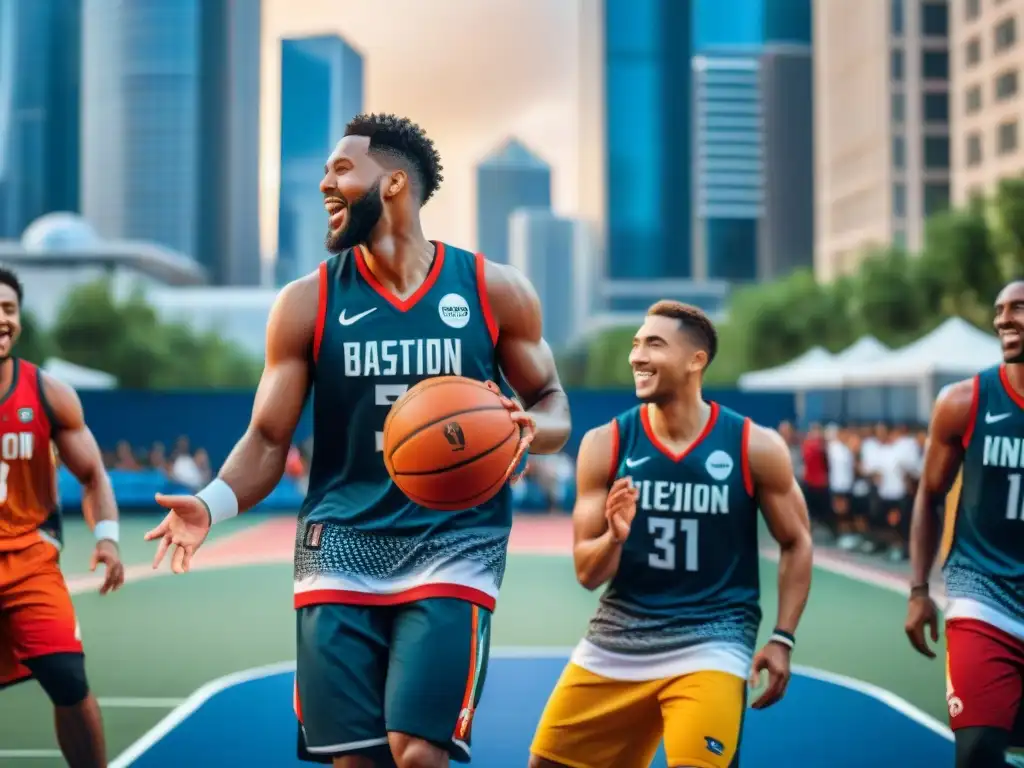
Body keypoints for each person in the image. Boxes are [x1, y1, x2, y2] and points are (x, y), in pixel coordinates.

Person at [144, 113, 571, 768]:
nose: (325, 185)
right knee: (356, 760)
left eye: (341, 169)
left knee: (419, 752)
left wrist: (528, 431)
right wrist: (213, 502)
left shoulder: (494, 290)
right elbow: (266, 437)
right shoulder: (305, 302)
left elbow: (552, 403)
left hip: (454, 542)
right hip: (337, 546)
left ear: (394, 183)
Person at [529, 301, 813, 768]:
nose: (636, 357)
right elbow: (586, 571)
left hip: (713, 639)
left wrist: (782, 637)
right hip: (619, 637)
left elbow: (797, 540)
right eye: (636, 344)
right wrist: (615, 538)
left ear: (695, 360)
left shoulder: (754, 446)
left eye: (653, 344)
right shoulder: (606, 443)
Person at [0, 267, 125, 768]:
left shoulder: (47, 393)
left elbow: (93, 474)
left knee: (68, 679)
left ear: (19, 320)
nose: (0, 320)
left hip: (29, 558)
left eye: (8, 310)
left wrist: (109, 538)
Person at [906, 280, 1024, 767]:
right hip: (984, 594)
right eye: (999, 310)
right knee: (977, 751)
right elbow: (929, 496)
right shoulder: (964, 401)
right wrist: (918, 591)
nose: (1003, 320)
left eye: (1018, 309)